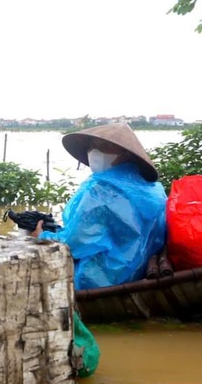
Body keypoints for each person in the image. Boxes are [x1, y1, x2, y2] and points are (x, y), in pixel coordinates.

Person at [29, 122, 167, 290]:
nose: (94, 152)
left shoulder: (101, 191)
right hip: (137, 271)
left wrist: (42, 236)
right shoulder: (152, 188)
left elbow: (73, 244)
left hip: (100, 279)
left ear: (124, 154)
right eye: (91, 146)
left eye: (104, 146)